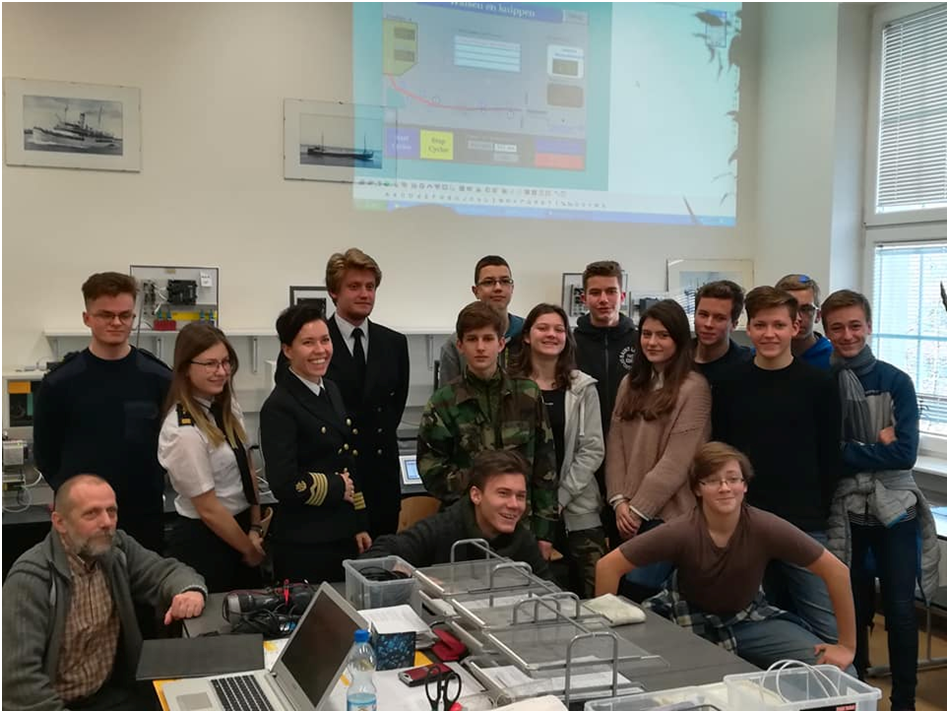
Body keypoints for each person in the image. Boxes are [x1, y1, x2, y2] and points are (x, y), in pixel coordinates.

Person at [595, 443, 856, 672]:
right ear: (698, 489)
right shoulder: (682, 530)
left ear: (745, 485)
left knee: (840, 671)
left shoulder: (765, 526)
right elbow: (608, 566)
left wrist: (846, 646)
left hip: (749, 619)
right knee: (647, 671)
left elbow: (836, 570)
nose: (724, 488)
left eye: (733, 479)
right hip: (684, 618)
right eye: (712, 481)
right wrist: (605, 637)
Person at [822, 289, 941, 711]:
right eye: (837, 327)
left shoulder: (895, 381)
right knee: (851, 607)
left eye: (855, 325)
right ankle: (857, 693)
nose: (847, 335)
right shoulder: (821, 383)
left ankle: (904, 701)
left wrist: (848, 450)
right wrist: (875, 443)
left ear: (869, 326)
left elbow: (904, 454)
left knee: (900, 609)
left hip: (896, 512)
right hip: (847, 512)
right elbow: (823, 454)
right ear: (825, 330)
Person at [1, 475, 207, 711]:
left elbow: (166, 572)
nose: (107, 522)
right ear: (59, 522)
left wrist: (189, 592)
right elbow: (20, 686)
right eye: (91, 514)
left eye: (112, 511)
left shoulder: (116, 549)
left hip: (110, 696)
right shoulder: (30, 580)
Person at [712, 286, 841, 643]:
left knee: (826, 626)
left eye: (779, 325)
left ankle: (835, 680)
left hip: (803, 522)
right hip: (744, 521)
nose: (769, 334)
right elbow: (721, 452)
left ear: (795, 327)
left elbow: (830, 456)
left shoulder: (820, 384)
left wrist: (817, 510)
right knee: (747, 622)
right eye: (761, 325)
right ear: (749, 326)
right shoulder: (729, 384)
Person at [33, 272, 172, 553]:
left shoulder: (159, 378)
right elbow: (46, 455)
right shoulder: (60, 383)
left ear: (133, 317)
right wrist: (75, 499)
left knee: (145, 580)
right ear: (87, 318)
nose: (116, 322)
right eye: (106, 315)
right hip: (81, 519)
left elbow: (170, 444)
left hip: (143, 516)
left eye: (125, 315)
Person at [418, 301, 558, 555]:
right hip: (465, 530)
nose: (481, 347)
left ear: (501, 343)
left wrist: (545, 532)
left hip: (520, 527)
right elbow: (431, 471)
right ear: (460, 346)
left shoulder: (527, 394)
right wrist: (484, 491)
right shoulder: (443, 402)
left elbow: (545, 465)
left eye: (488, 338)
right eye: (472, 339)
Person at [605, 299, 711, 599]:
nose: (652, 342)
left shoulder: (694, 388)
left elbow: (678, 460)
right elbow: (615, 444)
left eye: (663, 335)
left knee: (639, 589)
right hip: (624, 512)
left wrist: (638, 510)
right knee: (620, 591)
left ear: (679, 339)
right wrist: (619, 501)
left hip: (667, 514)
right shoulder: (630, 383)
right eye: (647, 334)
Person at [260, 305, 371, 584]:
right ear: (288, 350)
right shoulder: (279, 406)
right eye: (308, 343)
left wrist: (359, 523)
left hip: (342, 532)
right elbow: (284, 483)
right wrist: (336, 486)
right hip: (306, 543)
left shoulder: (330, 389)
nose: (320, 350)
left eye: (325, 340)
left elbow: (346, 460)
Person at [158, 323, 264, 593]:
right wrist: (249, 549)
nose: (222, 371)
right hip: (206, 540)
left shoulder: (227, 407)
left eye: (226, 362)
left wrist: (256, 527)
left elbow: (248, 467)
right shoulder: (182, 430)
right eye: (210, 364)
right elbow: (208, 508)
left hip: (243, 528)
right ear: (186, 368)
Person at [509, 303, 605, 597]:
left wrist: (558, 500)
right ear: (527, 336)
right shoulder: (510, 386)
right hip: (521, 511)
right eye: (543, 328)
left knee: (597, 595)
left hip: (577, 506)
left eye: (559, 329)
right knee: (527, 597)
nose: (551, 334)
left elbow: (592, 450)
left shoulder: (583, 387)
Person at [323, 248, 410, 538]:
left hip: (381, 479)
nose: (364, 294)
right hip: (334, 481)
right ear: (334, 292)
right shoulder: (312, 343)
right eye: (354, 286)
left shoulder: (394, 343)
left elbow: (395, 406)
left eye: (370, 287)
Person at [363, 450, 551, 579]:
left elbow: (553, 593)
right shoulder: (441, 529)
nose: (514, 505)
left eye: (520, 496)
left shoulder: (523, 540)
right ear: (476, 495)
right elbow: (373, 559)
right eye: (503, 494)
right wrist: (415, 578)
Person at [573, 260, 638, 546]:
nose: (603, 299)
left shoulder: (641, 341)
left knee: (628, 541)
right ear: (584, 297)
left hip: (630, 457)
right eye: (595, 292)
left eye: (611, 291)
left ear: (622, 295)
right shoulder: (570, 343)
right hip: (584, 456)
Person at [438, 255, 524, 387]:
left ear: (512, 288)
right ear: (476, 291)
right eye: (489, 282)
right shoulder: (454, 344)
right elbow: (446, 395)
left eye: (505, 281)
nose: (498, 288)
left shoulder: (528, 333)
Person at [692, 280, 752, 391]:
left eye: (719, 318)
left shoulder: (747, 365)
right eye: (703, 315)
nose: (708, 324)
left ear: (734, 324)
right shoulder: (675, 357)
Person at [775, 274, 833, 369]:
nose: (797, 318)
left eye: (806, 309)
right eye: (790, 309)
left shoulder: (834, 359)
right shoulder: (759, 357)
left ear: (818, 315)